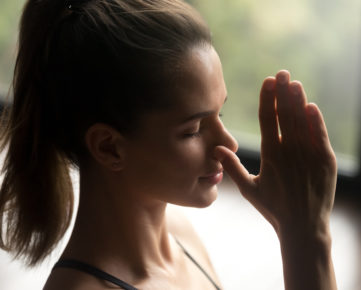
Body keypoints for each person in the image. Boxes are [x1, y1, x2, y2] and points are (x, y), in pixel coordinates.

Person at [0, 0, 338, 289]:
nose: (228, 143)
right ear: (109, 147)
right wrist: (306, 238)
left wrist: (301, 230)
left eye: (220, 114)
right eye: (193, 130)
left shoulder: (179, 236)